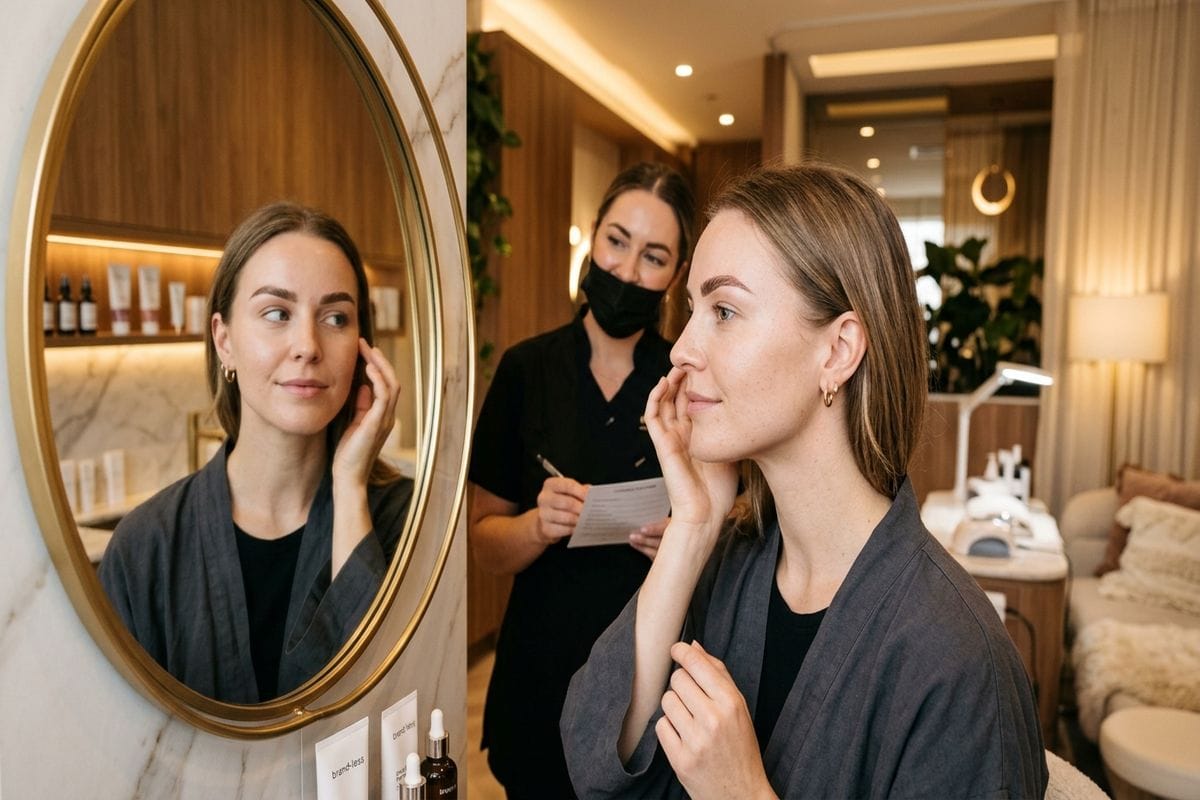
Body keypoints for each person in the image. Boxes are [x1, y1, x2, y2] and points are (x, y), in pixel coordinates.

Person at [561, 164, 1048, 799]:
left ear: (839, 351)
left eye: (725, 310)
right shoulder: (728, 568)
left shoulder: (958, 661)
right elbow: (594, 757)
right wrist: (694, 524)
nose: (681, 348)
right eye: (692, 311)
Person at [99, 202, 412, 704]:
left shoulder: (408, 520)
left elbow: (391, 702)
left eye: (335, 317)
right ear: (224, 341)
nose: (307, 345)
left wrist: (351, 485)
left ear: (363, 347)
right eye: (276, 313)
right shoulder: (146, 548)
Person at [469, 162, 696, 799]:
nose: (626, 272)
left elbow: (724, 533)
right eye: (616, 242)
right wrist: (536, 525)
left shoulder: (687, 385)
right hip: (538, 670)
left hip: (643, 681)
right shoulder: (525, 371)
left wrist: (684, 540)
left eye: (653, 257)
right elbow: (484, 545)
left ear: (676, 275)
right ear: (592, 238)